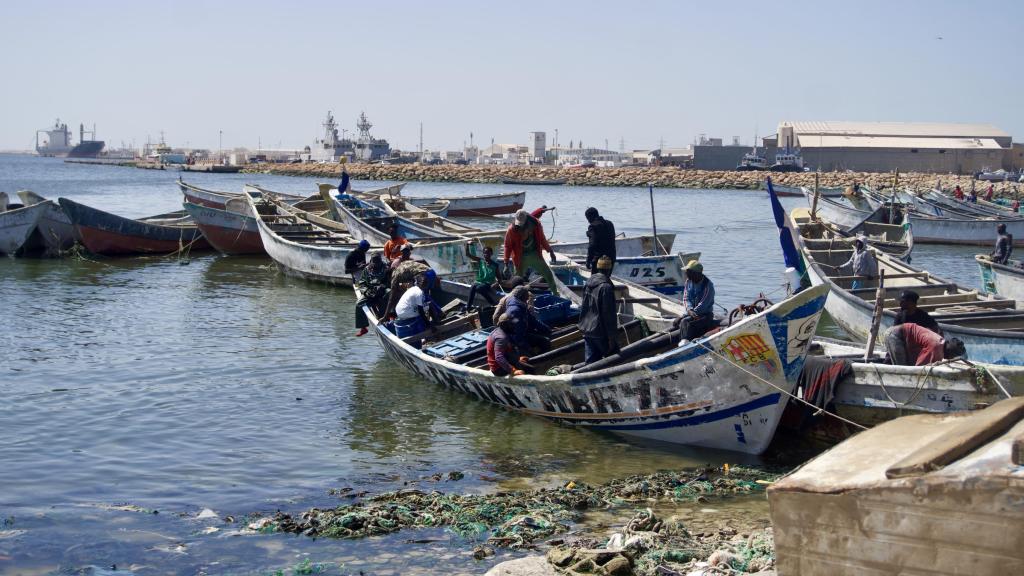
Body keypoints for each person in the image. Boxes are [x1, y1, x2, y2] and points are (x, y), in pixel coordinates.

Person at [503, 209, 557, 291]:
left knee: (549, 275)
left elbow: (542, 239)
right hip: (519, 258)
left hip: (535, 255)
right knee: (516, 281)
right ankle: (514, 297)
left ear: (527, 219)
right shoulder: (512, 229)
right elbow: (507, 246)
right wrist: (506, 263)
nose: (520, 226)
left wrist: (550, 251)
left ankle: (555, 293)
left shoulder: (536, 225)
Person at [579, 256, 620, 364]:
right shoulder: (606, 288)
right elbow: (609, 315)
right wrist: (611, 338)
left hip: (587, 330)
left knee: (590, 364)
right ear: (610, 270)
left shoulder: (588, 283)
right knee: (614, 360)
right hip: (600, 332)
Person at [884, 323, 965, 366]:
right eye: (953, 356)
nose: (951, 358)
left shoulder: (940, 342)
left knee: (907, 363)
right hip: (895, 336)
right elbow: (920, 369)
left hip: (900, 335)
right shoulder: (936, 349)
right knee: (901, 368)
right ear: (950, 352)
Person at [673, 260, 716, 340]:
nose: (686, 274)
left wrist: (687, 315)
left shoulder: (707, 285)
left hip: (705, 315)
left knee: (685, 322)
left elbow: (703, 304)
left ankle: (685, 344)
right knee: (676, 322)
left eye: (688, 272)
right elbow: (686, 298)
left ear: (696, 273)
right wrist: (689, 310)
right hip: (691, 313)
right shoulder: (688, 282)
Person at [504, 285, 552, 353]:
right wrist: (528, 348)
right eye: (526, 294)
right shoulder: (515, 311)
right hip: (517, 339)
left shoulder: (520, 305)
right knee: (545, 342)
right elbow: (517, 334)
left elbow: (532, 320)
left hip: (524, 331)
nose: (528, 296)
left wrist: (547, 329)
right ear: (522, 296)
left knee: (545, 333)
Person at [392, 272, 440, 338]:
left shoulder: (413, 288)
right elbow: (421, 311)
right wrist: (429, 325)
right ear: (426, 285)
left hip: (400, 312)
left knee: (426, 305)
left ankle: (429, 324)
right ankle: (435, 323)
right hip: (406, 313)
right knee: (430, 305)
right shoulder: (419, 293)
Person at [354, 253, 389, 336]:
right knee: (358, 304)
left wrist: (382, 286)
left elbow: (390, 281)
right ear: (371, 262)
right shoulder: (367, 270)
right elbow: (362, 283)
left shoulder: (386, 268)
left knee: (388, 295)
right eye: (374, 263)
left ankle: (385, 321)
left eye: (378, 262)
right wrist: (367, 291)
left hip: (382, 292)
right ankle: (363, 327)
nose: (376, 265)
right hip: (370, 292)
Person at [464, 241, 501, 311]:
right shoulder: (481, 261)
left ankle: (492, 302)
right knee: (473, 286)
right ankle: (468, 307)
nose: (486, 254)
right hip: (479, 282)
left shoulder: (495, 265)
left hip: (488, 283)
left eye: (488, 253)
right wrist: (467, 244)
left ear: (491, 254)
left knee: (478, 288)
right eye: (484, 253)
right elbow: (468, 254)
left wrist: (495, 284)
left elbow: (499, 279)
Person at [584, 207, 616, 274]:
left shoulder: (593, 226)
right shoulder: (610, 224)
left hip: (599, 260)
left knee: (596, 280)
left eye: (587, 218)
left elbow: (592, 245)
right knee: (606, 277)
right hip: (611, 258)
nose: (588, 221)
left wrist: (588, 260)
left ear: (590, 217)